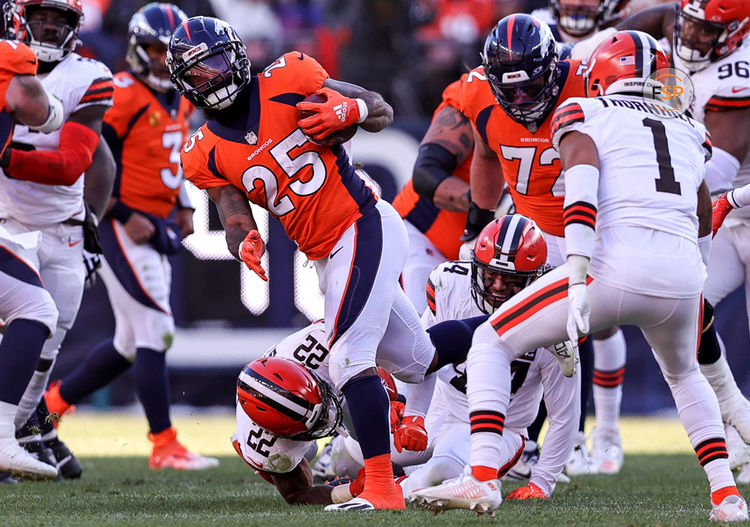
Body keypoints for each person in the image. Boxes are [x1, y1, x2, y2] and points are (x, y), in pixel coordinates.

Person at [412, 30, 749, 522]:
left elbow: (583, 185)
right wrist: (697, 270)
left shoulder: (585, 112)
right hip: (679, 276)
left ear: (600, 76)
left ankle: (481, 477)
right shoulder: (687, 129)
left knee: (489, 339)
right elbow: (700, 206)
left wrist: (575, 273)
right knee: (684, 374)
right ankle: (727, 496)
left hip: (613, 267)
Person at [168, 15, 441, 511]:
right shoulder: (202, 149)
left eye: (213, 62)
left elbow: (380, 110)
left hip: (361, 223)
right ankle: (495, 334)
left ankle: (382, 489)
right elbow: (233, 215)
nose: (211, 76)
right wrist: (244, 240)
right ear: (186, 83)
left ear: (234, 53)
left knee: (348, 357)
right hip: (324, 254)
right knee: (417, 360)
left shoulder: (291, 77)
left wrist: (350, 108)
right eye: (198, 71)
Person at [43, 2, 218, 471]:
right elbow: (89, 164)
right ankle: (163, 442)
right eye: (155, 50)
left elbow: (172, 157)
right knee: (155, 328)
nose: (164, 60)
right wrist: (123, 211)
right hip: (119, 222)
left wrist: (181, 205)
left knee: (128, 343)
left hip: (155, 221)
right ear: (138, 50)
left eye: (170, 50)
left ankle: (49, 408)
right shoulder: (120, 94)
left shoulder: (180, 95)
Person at [457, 13, 606, 476]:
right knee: (515, 338)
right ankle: (520, 443)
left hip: (591, 230)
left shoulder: (589, 80)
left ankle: (574, 441)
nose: (521, 99)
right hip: (533, 236)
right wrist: (476, 222)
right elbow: (483, 152)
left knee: (576, 331)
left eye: (531, 86)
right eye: (511, 89)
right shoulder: (479, 92)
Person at [617, 0, 750, 481]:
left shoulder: (740, 69)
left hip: (733, 201)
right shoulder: (676, 24)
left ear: (735, 32)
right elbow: (648, 24)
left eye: (704, 29)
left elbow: (720, 168)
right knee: (687, 314)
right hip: (722, 217)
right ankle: (737, 428)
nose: (689, 36)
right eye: (687, 23)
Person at [0, 0, 115, 478]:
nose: (50, 26)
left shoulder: (88, 74)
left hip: (63, 224)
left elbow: (77, 163)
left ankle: (22, 429)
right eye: (42, 17)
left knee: (46, 344)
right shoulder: (6, 63)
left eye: (61, 20)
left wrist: (91, 220)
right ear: (18, 20)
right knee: (29, 319)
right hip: (7, 221)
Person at [397, 215, 579, 500]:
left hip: (502, 429)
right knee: (359, 452)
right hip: (441, 406)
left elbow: (564, 414)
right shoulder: (449, 285)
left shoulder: (552, 317)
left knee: (439, 474)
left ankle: (374, 491)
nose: (497, 287)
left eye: (510, 280)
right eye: (490, 275)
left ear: (535, 278)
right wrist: (414, 415)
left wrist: (542, 482)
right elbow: (424, 357)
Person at [0, 0, 67, 481]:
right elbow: (38, 110)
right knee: (36, 308)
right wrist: (53, 111)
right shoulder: (11, 57)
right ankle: (3, 437)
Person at [391, 73, 474, 313]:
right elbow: (427, 174)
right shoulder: (474, 96)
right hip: (427, 232)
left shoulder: (570, 109)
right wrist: (492, 207)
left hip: (500, 250)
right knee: (422, 337)